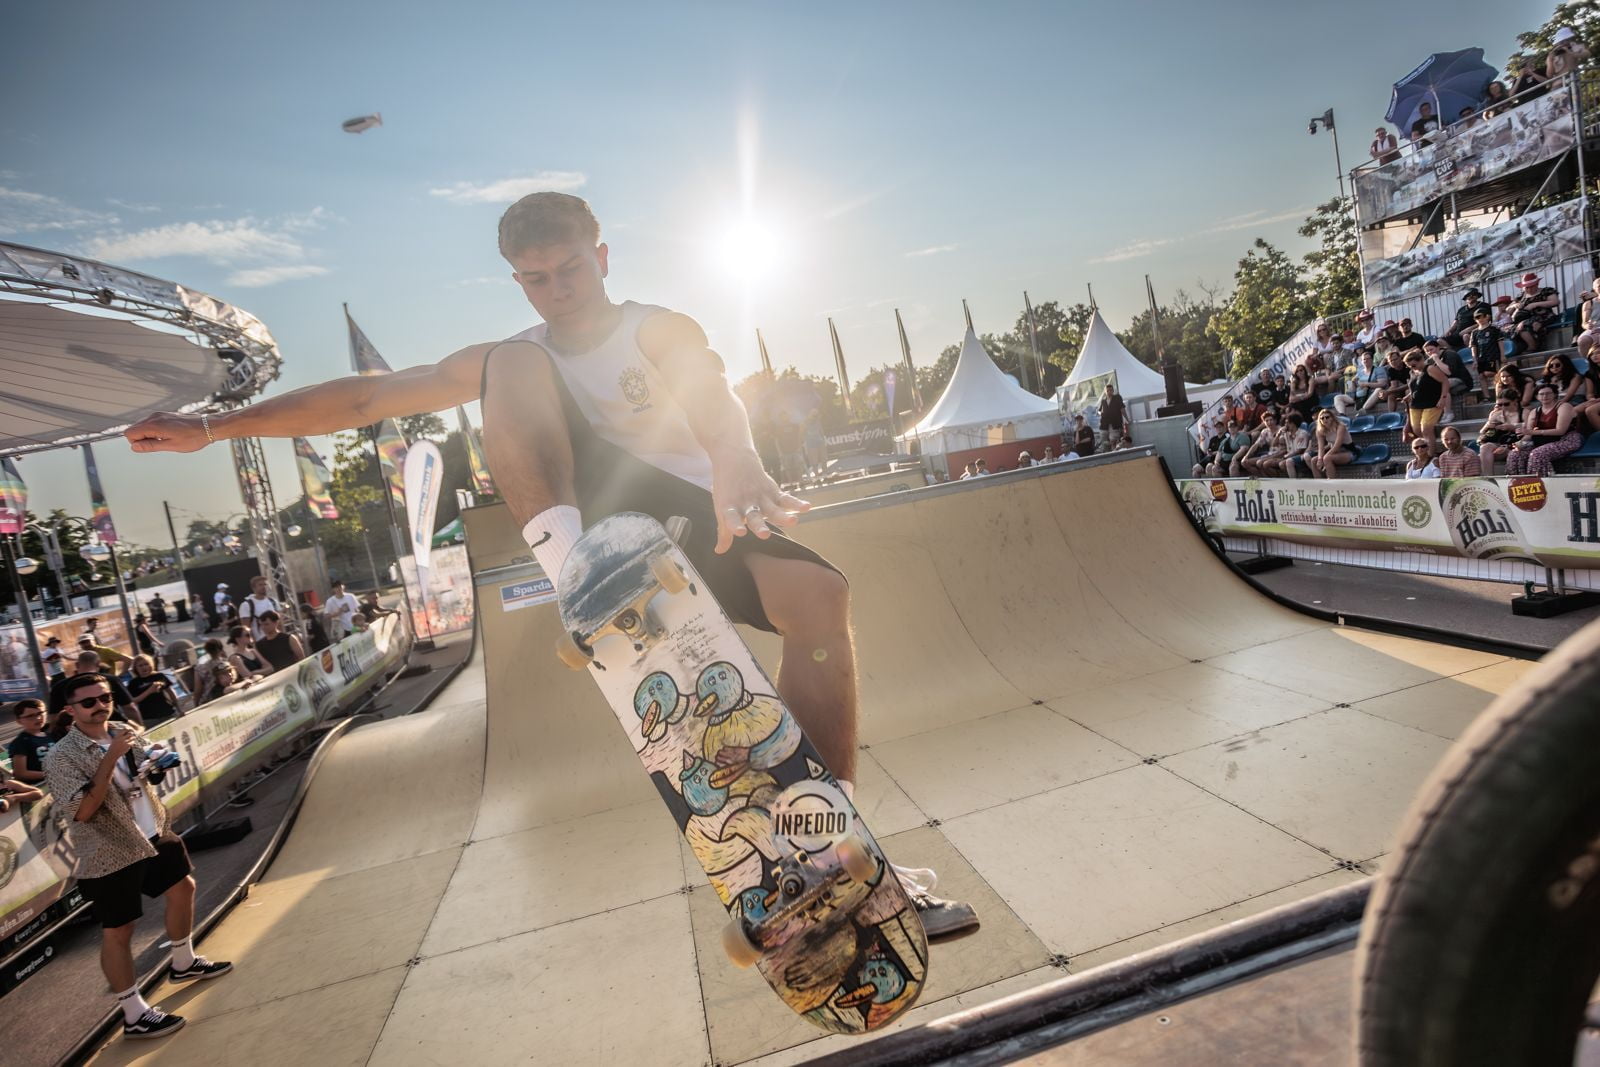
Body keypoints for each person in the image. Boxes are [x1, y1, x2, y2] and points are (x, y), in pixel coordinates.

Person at [123, 191, 976, 937]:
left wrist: (736, 456)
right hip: (600, 520)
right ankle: (579, 573)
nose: (558, 290)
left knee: (822, 596)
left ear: (602, 258)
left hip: (685, 510)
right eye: (536, 278)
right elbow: (368, 398)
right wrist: (212, 428)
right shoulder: (521, 348)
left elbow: (711, 392)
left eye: (570, 270)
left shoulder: (656, 325)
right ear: (518, 280)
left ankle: (839, 848)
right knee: (511, 360)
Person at [43, 672, 232, 1041]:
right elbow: (82, 811)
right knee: (119, 931)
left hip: (153, 832)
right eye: (89, 702)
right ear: (70, 710)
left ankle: (182, 961)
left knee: (184, 889)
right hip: (108, 851)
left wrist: (158, 762)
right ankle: (133, 1014)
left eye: (105, 697)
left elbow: (148, 769)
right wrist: (110, 758)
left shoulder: (121, 729)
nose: (100, 706)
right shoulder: (60, 756)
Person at [51, 650, 141, 728]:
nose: (99, 705)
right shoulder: (110, 680)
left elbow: (54, 719)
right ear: (98, 664)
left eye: (105, 698)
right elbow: (130, 709)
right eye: (87, 702)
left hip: (77, 735)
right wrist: (140, 728)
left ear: (77, 665)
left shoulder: (59, 687)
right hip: (114, 729)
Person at [1508, 383, 1583, 477]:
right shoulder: (1534, 412)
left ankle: (1542, 484)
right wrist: (1519, 444)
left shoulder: (1564, 406)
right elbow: (1529, 434)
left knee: (1538, 454)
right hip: (1543, 441)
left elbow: (1560, 430)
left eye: (1548, 393)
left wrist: (1534, 432)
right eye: (1541, 394)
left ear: (1555, 394)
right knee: (1514, 454)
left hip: (1566, 439)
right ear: (1537, 396)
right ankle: (1517, 484)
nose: (1545, 396)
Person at [1405, 343, 1452, 451]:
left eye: (1413, 365)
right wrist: (1409, 395)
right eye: (1409, 365)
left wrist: (1443, 398)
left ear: (1420, 360)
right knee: (1417, 429)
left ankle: (1431, 454)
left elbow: (1445, 381)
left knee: (1426, 428)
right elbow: (1415, 387)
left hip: (1431, 403)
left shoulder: (1430, 369)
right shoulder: (1412, 372)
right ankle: (1426, 449)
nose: (1412, 367)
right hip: (1416, 404)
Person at [1477, 390, 1525, 476]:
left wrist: (1512, 427)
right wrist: (1489, 423)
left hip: (1517, 444)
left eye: (1506, 404)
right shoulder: (1497, 414)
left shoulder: (1524, 412)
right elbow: (1482, 432)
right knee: (1485, 447)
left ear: (1515, 401)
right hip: (1499, 443)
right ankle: (1489, 478)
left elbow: (1529, 428)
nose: (1502, 407)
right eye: (1499, 404)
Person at [126, 655, 183, 727]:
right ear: (136, 668)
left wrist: (179, 709)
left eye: (146, 664)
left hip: (167, 713)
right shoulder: (133, 683)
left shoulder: (159, 676)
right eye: (140, 666)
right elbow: (133, 701)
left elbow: (170, 692)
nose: (144, 667)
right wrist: (149, 691)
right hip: (149, 718)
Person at [1510, 273, 1561, 353]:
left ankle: (1533, 347)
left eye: (1532, 286)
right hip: (1525, 318)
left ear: (1537, 284)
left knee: (1527, 325)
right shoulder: (1521, 296)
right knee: (1515, 328)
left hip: (1544, 316)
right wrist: (1515, 305)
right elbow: (1508, 309)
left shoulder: (1546, 291)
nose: (1529, 289)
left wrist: (1535, 304)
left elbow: (1555, 302)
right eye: (1527, 287)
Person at [7, 698, 53, 784]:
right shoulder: (20, 742)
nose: (38, 718)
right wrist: (51, 774)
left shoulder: (52, 735)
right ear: (19, 721)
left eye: (40, 713)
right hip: (39, 785)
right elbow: (21, 774)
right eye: (30, 716)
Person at [1308, 409, 1356, 479]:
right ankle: (1319, 483)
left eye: (1327, 417)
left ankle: (1331, 482)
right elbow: (1321, 447)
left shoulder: (1340, 427)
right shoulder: (1320, 430)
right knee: (1314, 461)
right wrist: (1320, 459)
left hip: (1348, 451)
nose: (1325, 419)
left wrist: (1323, 458)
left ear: (1332, 418)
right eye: (1322, 418)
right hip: (1335, 453)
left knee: (1327, 458)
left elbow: (1337, 445)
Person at [1466, 306, 1509, 381]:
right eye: (1477, 318)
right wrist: (1475, 360)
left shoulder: (1494, 329)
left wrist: (1502, 355)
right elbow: (1473, 347)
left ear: (1487, 317)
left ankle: (1499, 388)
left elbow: (1500, 342)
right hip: (1481, 358)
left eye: (1482, 317)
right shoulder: (1474, 332)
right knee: (1481, 376)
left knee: (1491, 373)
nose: (1480, 319)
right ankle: (1486, 393)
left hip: (1493, 356)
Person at [236, 575, 279, 641]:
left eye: (265, 584)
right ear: (254, 588)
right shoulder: (246, 605)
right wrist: (254, 645)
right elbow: (246, 628)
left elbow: (279, 623)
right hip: (260, 642)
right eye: (260, 585)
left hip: (277, 639)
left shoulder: (273, 601)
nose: (264, 587)